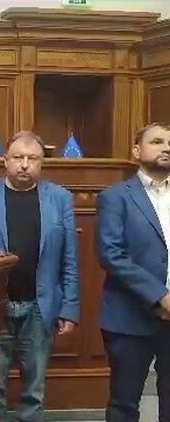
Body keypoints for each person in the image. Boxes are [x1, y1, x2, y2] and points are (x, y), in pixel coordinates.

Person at [0, 130, 80, 422]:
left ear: (42, 163)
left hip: (40, 306)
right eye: (18, 157)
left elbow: (69, 259)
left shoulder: (60, 199)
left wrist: (70, 308)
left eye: (33, 158)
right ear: (5, 161)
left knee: (34, 388)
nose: (25, 165)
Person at [97, 122, 170, 422]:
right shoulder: (116, 197)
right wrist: (160, 296)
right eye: (157, 142)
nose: (167, 148)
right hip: (129, 317)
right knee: (124, 405)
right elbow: (111, 254)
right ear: (137, 151)